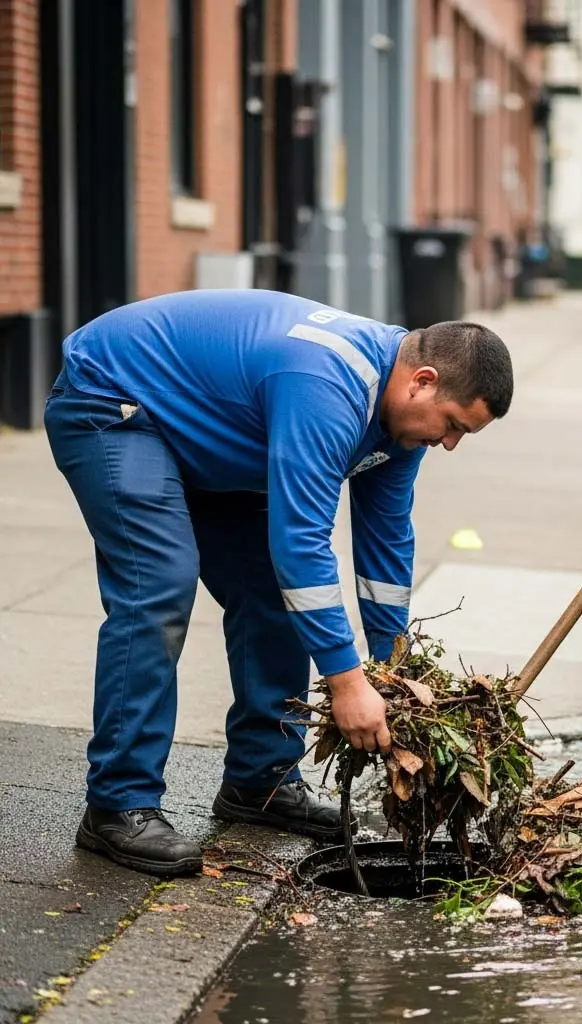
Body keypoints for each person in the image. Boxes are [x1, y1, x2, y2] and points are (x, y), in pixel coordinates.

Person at [44, 288, 514, 876]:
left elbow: (386, 545)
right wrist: (346, 683)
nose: (449, 444)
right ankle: (118, 804)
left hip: (204, 431)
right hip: (115, 402)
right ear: (421, 380)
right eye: (453, 425)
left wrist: (395, 673)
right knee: (158, 584)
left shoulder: (399, 429)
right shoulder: (329, 385)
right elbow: (302, 543)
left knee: (269, 591)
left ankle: (260, 780)